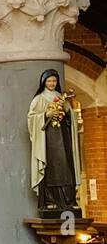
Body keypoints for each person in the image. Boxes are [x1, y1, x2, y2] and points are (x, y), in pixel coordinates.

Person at [27, 68, 82, 215]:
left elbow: (72, 120)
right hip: (48, 142)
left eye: (54, 81)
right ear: (44, 82)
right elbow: (31, 119)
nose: (52, 83)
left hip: (63, 139)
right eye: (49, 81)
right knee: (51, 168)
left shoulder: (61, 97)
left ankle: (69, 200)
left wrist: (66, 113)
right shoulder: (39, 99)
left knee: (66, 167)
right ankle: (50, 201)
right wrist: (46, 114)